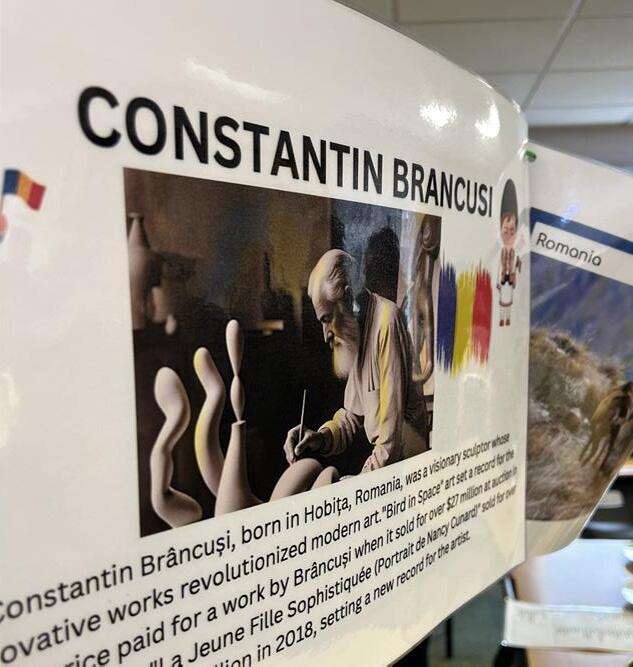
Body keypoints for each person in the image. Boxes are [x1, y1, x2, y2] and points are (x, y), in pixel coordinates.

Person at [284, 249, 428, 473]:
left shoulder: (386, 322)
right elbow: (352, 417)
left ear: (349, 298)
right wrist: (320, 437)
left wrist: (359, 483)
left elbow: (391, 442)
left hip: (408, 465)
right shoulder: (355, 330)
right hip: (386, 465)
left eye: (327, 319)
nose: (325, 335)